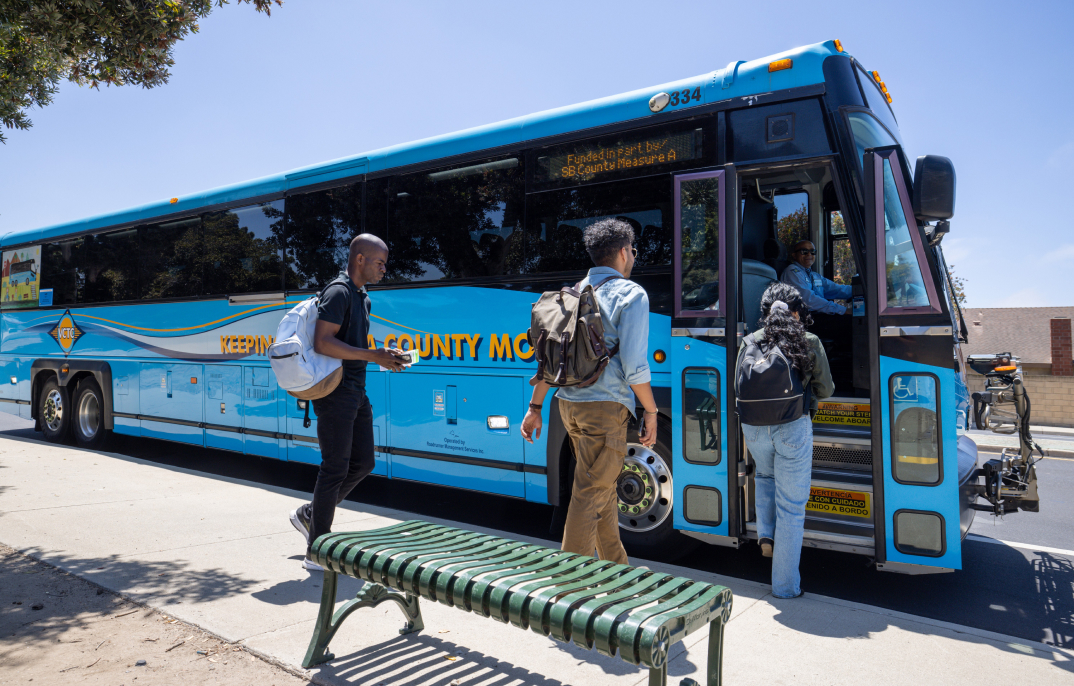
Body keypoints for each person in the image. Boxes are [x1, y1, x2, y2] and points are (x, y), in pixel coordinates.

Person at [520, 218, 657, 565]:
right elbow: (635, 366)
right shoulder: (630, 294)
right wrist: (651, 411)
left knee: (602, 489)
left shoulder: (572, 294)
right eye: (634, 251)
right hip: (604, 407)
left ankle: (616, 571)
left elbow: (553, 361)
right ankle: (567, 590)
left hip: (568, 407)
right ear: (625, 252)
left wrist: (536, 408)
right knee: (591, 492)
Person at [288, 234, 405, 572]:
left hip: (355, 388)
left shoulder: (361, 297)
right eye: (380, 263)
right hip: (335, 390)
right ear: (360, 260)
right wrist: (371, 354)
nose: (384, 269)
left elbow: (352, 345)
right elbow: (323, 343)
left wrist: (382, 357)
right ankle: (317, 550)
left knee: (364, 462)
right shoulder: (339, 292)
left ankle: (310, 515)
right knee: (334, 466)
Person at [738, 282, 834, 598]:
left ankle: (766, 535)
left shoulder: (748, 341)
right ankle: (784, 587)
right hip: (792, 427)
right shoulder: (808, 340)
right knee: (791, 508)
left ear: (764, 313)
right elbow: (827, 389)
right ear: (795, 312)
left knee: (764, 475)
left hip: (753, 428)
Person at [780, 240, 852, 315]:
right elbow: (808, 299)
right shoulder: (792, 272)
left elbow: (836, 289)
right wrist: (842, 310)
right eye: (804, 251)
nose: (809, 254)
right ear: (794, 255)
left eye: (812, 252)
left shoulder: (814, 275)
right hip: (803, 319)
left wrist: (857, 290)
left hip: (817, 316)